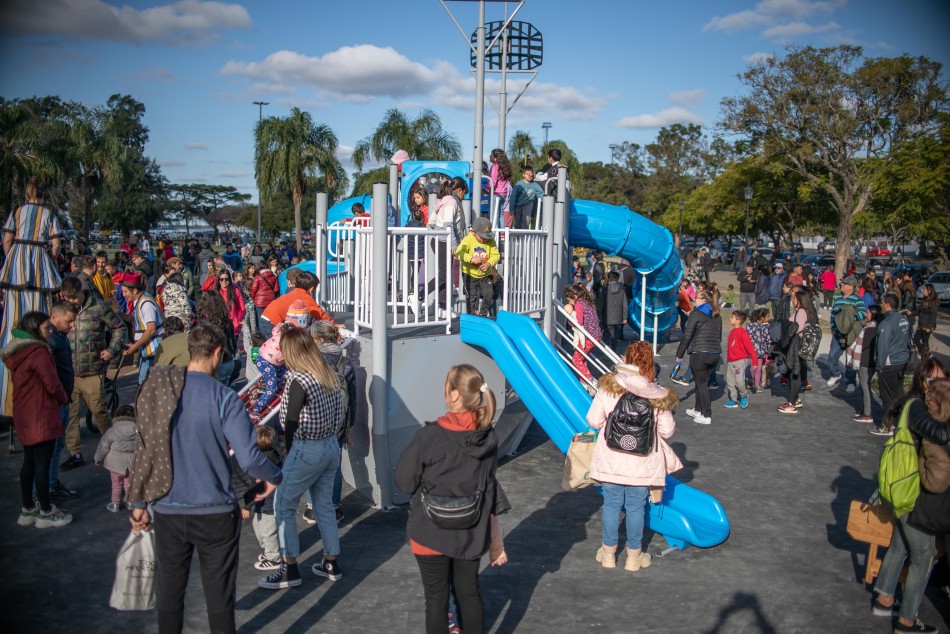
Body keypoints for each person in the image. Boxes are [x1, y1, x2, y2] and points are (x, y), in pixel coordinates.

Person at [127, 323, 281, 633]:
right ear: (216, 353)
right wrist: (275, 475)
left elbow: (146, 448)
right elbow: (250, 458)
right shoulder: (225, 398)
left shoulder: (164, 394)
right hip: (215, 512)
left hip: (169, 508)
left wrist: (139, 501)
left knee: (170, 594)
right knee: (219, 598)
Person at [394, 364, 509, 634]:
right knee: (469, 594)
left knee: (436, 599)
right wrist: (496, 540)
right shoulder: (488, 438)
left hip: (430, 529)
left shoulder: (430, 436)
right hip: (471, 530)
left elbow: (404, 482)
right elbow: (489, 487)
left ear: (455, 395)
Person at [258, 328, 345, 590]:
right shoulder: (328, 373)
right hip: (330, 446)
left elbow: (290, 421)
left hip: (308, 448)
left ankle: (289, 568)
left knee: (283, 505)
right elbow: (340, 410)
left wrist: (288, 452)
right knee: (324, 506)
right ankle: (331, 562)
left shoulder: (298, 379)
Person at [586, 342, 682, 572]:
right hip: (643, 461)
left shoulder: (609, 387)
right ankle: (633, 557)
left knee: (611, 504)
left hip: (611, 458)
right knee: (636, 507)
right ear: (650, 363)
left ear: (626, 359)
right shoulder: (658, 394)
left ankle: (608, 554)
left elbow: (593, 421)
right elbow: (667, 432)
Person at [870, 378, 950, 634]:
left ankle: (883, 598)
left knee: (900, 544)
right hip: (919, 502)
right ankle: (906, 621)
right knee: (923, 557)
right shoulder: (935, 432)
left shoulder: (918, 414)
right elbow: (936, 481)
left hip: (902, 494)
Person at [0, 179, 63, 416]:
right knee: (39, 321)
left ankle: (6, 397)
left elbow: (7, 239)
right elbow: (55, 244)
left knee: (11, 323)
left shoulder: (16, 212)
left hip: (17, 261)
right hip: (38, 263)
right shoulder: (49, 213)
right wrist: (49, 261)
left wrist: (13, 260)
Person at [3, 311, 72, 528]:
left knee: (30, 463)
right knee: (42, 463)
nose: (49, 331)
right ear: (35, 329)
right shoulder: (38, 353)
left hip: (24, 412)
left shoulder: (18, 352)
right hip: (41, 412)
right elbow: (52, 384)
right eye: (46, 328)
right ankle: (46, 510)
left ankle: (28, 508)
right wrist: (64, 398)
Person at [60, 276, 126, 469]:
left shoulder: (98, 306)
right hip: (68, 371)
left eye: (75, 297)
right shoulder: (62, 309)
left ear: (82, 290)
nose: (72, 301)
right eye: (68, 298)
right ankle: (75, 453)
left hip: (92, 370)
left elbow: (119, 327)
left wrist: (112, 349)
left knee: (99, 410)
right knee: (70, 416)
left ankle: (113, 446)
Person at [309, 320, 357, 524]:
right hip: (339, 424)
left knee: (313, 466)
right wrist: (349, 426)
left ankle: (312, 508)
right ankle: (334, 506)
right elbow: (353, 398)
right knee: (334, 467)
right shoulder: (345, 363)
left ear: (318, 339)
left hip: (315, 422)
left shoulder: (310, 361)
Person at [231, 425, 284, 571]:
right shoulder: (270, 456)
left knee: (267, 530)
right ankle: (269, 549)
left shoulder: (261, 463)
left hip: (267, 503)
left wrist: (247, 506)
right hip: (264, 502)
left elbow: (257, 487)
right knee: (259, 527)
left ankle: (273, 556)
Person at [675, 289, 722, 425]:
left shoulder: (696, 314)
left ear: (703, 299)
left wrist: (680, 353)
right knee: (700, 381)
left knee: (701, 384)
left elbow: (687, 335)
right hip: (714, 354)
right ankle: (697, 409)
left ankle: (706, 415)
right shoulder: (717, 315)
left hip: (700, 353)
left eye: (697, 297)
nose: (694, 299)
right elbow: (718, 337)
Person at [869, 294, 911, 436]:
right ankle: (898, 422)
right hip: (901, 361)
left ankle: (887, 426)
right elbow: (908, 339)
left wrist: (880, 366)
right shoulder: (903, 319)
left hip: (889, 363)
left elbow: (883, 346)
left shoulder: (886, 323)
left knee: (887, 397)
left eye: (882, 302)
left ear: (887, 304)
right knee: (898, 394)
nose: (880, 305)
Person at [120, 271, 165, 385]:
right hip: (147, 349)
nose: (124, 295)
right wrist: (118, 313)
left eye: (125, 292)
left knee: (145, 382)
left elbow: (151, 329)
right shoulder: (139, 301)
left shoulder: (146, 304)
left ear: (134, 290)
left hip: (154, 349)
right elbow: (134, 318)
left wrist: (134, 347)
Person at [777, 290, 818, 414]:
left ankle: (792, 403)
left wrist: (786, 325)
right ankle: (795, 399)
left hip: (796, 345)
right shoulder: (803, 311)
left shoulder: (801, 312)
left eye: (794, 299)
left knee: (794, 374)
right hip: (796, 346)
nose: (792, 300)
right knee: (792, 372)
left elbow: (797, 327)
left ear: (799, 300)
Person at [251, 320, 298, 419]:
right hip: (266, 362)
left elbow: (275, 329)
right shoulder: (286, 343)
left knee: (284, 370)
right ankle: (256, 408)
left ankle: (279, 384)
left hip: (266, 359)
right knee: (271, 388)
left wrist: (282, 325)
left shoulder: (278, 334)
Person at [93, 404, 136, 512]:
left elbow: (103, 446)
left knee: (116, 484)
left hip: (115, 464)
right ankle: (130, 503)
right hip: (131, 462)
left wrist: (98, 459)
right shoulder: (138, 430)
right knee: (128, 484)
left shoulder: (112, 430)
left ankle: (115, 504)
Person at [827, 275, 866, 391]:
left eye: (844, 284)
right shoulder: (838, 298)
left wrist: (850, 319)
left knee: (849, 359)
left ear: (851, 287)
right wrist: (833, 328)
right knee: (832, 355)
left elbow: (862, 313)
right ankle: (835, 374)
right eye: (842, 284)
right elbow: (833, 314)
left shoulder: (858, 299)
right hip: (837, 333)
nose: (842, 285)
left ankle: (851, 381)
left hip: (850, 334)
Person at [455, 217, 500, 318]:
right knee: (472, 298)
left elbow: (496, 255)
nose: (484, 239)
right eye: (482, 237)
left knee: (489, 294)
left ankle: (483, 314)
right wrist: (471, 259)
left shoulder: (490, 241)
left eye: (486, 237)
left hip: (485, 274)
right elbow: (459, 253)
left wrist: (489, 263)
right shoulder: (468, 239)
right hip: (469, 274)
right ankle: (472, 317)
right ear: (473, 232)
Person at [564, 284, 602, 382]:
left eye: (569, 300)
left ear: (575, 297)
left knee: (576, 359)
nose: (570, 303)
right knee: (582, 359)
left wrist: (570, 321)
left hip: (589, 337)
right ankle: (583, 381)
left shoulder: (579, 305)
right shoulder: (588, 302)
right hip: (596, 335)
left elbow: (579, 321)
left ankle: (590, 380)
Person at [852, 304, 881, 425]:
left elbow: (865, 347)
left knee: (864, 386)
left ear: (873, 314)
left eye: (868, 312)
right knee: (864, 385)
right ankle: (863, 409)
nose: (865, 314)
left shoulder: (870, 329)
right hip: (868, 361)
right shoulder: (875, 327)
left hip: (866, 361)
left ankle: (867, 413)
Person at [724, 310, 757, 409]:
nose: (730, 319)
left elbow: (750, 347)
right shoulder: (731, 332)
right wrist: (728, 360)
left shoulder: (743, 333)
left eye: (732, 317)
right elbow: (729, 348)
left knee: (739, 382)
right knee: (730, 382)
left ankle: (743, 396)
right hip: (731, 361)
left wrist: (755, 361)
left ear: (738, 321)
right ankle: (733, 400)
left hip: (740, 361)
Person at [251, 260, 281, 337]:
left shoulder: (258, 277)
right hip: (270, 301)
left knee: (260, 320)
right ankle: (270, 334)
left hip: (259, 302)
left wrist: (254, 298)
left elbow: (253, 289)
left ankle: (261, 337)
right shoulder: (273, 276)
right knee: (269, 319)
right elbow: (276, 289)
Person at [746, 308, 772, 392]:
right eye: (767, 316)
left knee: (759, 368)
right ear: (762, 318)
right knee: (753, 368)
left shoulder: (767, 326)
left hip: (761, 352)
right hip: (752, 351)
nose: (769, 318)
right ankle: (751, 380)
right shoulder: (751, 325)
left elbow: (768, 338)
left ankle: (757, 385)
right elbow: (748, 337)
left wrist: (768, 349)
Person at [511, 165, 543, 229]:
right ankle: (517, 238)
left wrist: (546, 201)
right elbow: (513, 197)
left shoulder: (535, 185)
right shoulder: (518, 184)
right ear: (523, 175)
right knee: (517, 223)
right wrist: (511, 208)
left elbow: (541, 193)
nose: (529, 175)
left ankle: (524, 237)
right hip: (518, 205)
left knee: (526, 221)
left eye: (531, 174)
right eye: (527, 174)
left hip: (528, 205)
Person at [912, 283, 938, 357]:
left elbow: (933, 315)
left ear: (929, 291)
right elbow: (919, 311)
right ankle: (925, 353)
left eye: (924, 289)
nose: (923, 291)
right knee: (916, 339)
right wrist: (911, 313)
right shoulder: (924, 300)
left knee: (925, 342)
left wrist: (929, 327)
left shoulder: (933, 302)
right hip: (921, 324)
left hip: (926, 326)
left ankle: (926, 356)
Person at [489, 148, 514, 227]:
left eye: (491, 155)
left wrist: (486, 189)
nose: (490, 156)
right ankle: (502, 234)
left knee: (494, 214)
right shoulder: (503, 167)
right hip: (503, 193)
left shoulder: (495, 167)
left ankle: (495, 233)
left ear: (495, 157)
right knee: (500, 214)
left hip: (496, 193)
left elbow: (493, 180)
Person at [603, 270, 627, 352]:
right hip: (618, 317)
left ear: (609, 278)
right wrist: (625, 317)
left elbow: (600, 303)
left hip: (606, 316)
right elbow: (625, 304)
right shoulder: (622, 290)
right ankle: (613, 350)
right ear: (618, 279)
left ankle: (606, 350)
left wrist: (598, 315)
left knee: (606, 334)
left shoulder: (604, 289)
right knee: (615, 335)